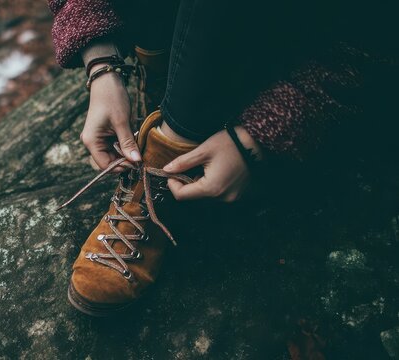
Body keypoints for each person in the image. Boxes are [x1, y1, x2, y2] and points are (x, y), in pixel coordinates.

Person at [48, 0, 398, 316]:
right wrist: (101, 64)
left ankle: (174, 144)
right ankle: (166, 85)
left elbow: (380, 42)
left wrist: (260, 134)